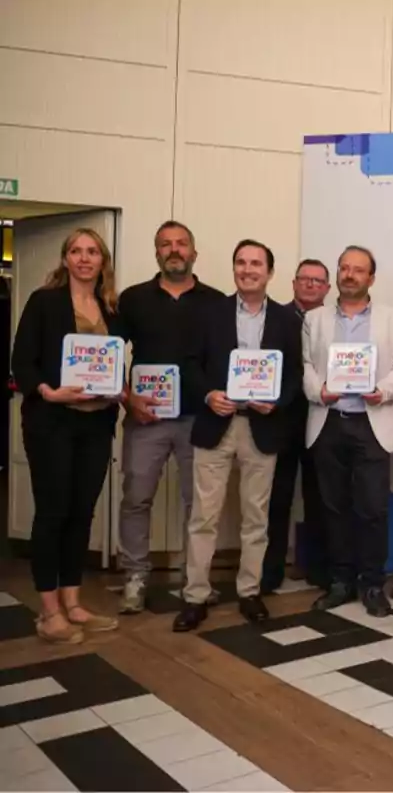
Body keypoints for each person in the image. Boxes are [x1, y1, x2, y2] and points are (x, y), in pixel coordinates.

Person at [174, 240, 302, 631]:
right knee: (203, 517)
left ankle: (250, 591)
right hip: (216, 425)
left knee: (255, 517)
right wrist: (209, 394)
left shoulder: (287, 319)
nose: (248, 269)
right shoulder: (209, 312)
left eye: (256, 264)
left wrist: (276, 402)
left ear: (270, 272)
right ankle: (195, 596)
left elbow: (295, 375)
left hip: (262, 427)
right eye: (241, 263)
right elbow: (189, 363)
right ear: (234, 269)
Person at [12, 228, 124, 643]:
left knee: (82, 514)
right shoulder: (44, 302)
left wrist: (121, 388)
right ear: (65, 259)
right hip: (52, 423)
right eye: (76, 251)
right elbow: (21, 362)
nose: (84, 258)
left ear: (102, 261)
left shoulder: (110, 307)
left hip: (96, 423)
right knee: (53, 513)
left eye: (92, 251)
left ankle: (73, 602)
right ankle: (48, 611)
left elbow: (114, 364)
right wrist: (48, 391)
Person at [116, 221, 225, 613]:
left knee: (199, 505)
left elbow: (225, 360)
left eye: (181, 244)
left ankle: (193, 578)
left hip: (200, 419)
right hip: (146, 418)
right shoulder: (132, 299)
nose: (174, 250)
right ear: (156, 253)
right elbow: (110, 356)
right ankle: (134, 576)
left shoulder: (217, 302)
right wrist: (128, 400)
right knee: (136, 498)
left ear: (194, 253)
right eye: (165, 244)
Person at [306, 246, 393, 617]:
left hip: (374, 423)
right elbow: (305, 364)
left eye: (358, 270)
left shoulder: (392, 318)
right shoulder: (315, 318)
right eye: (344, 268)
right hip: (329, 421)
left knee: (372, 509)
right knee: (333, 507)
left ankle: (371, 583)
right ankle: (340, 582)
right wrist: (319, 391)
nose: (349, 275)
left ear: (371, 278)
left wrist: (382, 390)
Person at [263, 259, 331, 593]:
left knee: (320, 497)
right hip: (280, 419)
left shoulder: (336, 323)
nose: (310, 285)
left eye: (318, 281)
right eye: (305, 279)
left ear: (327, 289)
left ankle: (320, 570)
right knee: (277, 498)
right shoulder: (274, 318)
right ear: (293, 283)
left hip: (323, 418)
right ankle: (270, 570)